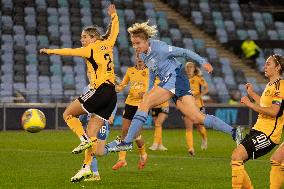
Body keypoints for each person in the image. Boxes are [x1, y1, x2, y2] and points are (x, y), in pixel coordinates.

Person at [107, 21, 242, 152]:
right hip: (175, 81)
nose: (135, 46)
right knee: (197, 117)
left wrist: (203, 61)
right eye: (133, 44)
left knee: (145, 102)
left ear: (147, 40)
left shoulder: (160, 48)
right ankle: (234, 132)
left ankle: (127, 142)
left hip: (175, 77)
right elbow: (153, 74)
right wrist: (148, 92)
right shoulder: (143, 55)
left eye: (138, 43)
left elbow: (185, 52)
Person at [39, 4, 119, 154]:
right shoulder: (108, 44)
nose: (81, 39)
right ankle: (88, 168)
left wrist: (50, 51)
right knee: (92, 133)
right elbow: (115, 30)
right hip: (111, 93)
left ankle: (83, 140)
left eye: (84, 37)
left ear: (93, 38)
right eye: (81, 37)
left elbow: (69, 51)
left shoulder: (90, 49)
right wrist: (114, 16)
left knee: (67, 114)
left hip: (99, 90)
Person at [231, 54, 284, 189]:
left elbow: (274, 111)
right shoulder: (270, 85)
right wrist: (252, 93)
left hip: (268, 134)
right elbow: (264, 104)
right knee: (236, 160)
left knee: (237, 156)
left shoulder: (280, 86)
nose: (264, 66)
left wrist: (250, 104)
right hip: (258, 130)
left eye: (268, 64)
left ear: (278, 67)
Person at [111, 57, 148, 171]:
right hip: (130, 103)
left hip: (142, 104)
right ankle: (122, 159)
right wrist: (116, 88)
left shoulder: (150, 71)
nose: (140, 59)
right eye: (138, 57)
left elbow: (156, 86)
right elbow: (123, 85)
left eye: (142, 57)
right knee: (125, 130)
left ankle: (143, 154)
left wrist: (147, 93)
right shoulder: (130, 70)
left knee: (135, 132)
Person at [184, 62, 209, 156]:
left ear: (194, 68)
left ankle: (204, 138)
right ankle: (190, 148)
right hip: (186, 106)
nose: (189, 68)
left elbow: (207, 88)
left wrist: (199, 96)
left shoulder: (198, 78)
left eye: (191, 67)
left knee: (199, 127)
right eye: (187, 67)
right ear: (186, 69)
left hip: (198, 106)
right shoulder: (183, 79)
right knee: (188, 126)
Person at [148, 79, 169, 151]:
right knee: (157, 125)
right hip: (154, 105)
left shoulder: (165, 78)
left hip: (164, 105)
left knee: (158, 123)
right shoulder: (151, 79)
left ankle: (155, 143)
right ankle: (160, 144)